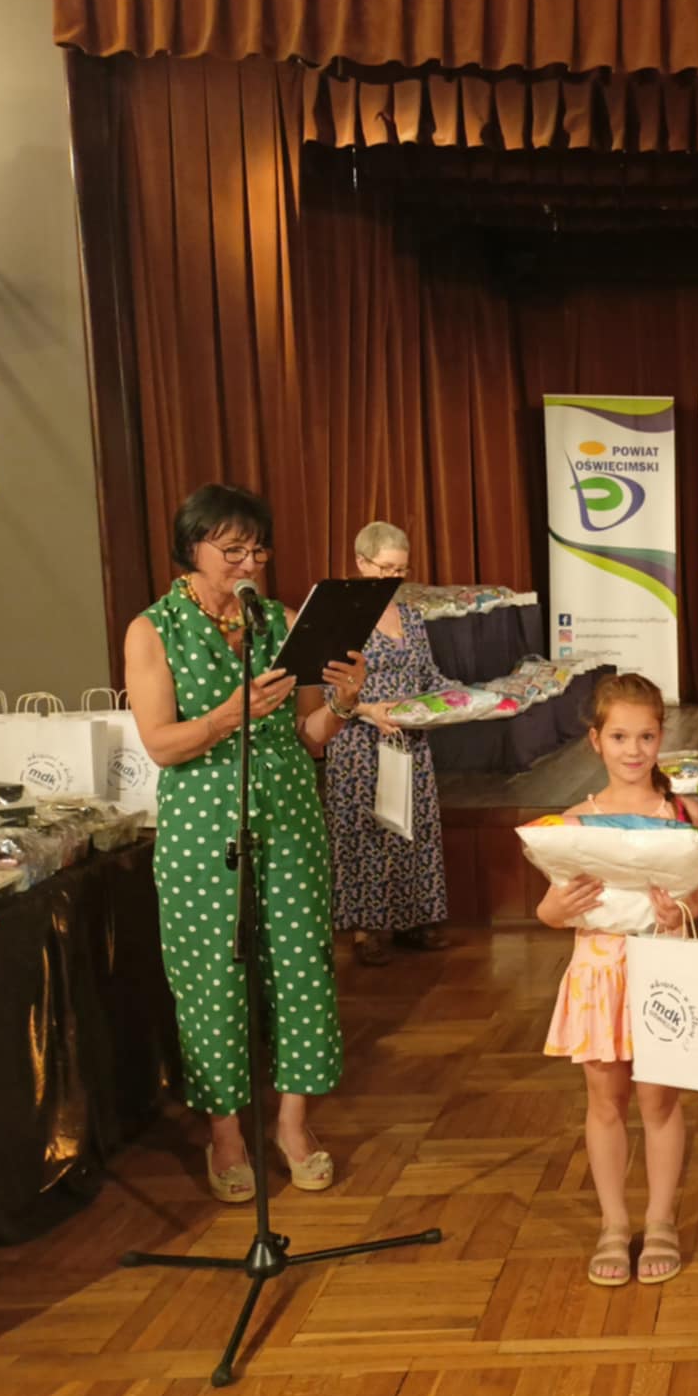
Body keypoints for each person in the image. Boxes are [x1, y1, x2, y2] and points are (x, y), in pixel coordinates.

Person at [124, 483, 368, 1202]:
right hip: (203, 828)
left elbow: (310, 735)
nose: (248, 563)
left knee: (301, 964)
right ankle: (226, 1133)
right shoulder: (154, 630)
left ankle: (293, 1124)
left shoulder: (282, 621)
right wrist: (227, 716)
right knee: (212, 974)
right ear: (190, 549)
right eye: (232, 550)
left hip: (289, 816)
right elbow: (161, 744)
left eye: (257, 550)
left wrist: (344, 700)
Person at [539, 673, 698, 1287]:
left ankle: (660, 1219)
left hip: (662, 969)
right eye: (619, 736)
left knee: (659, 1102)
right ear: (596, 740)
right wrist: (554, 910)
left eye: (645, 736)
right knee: (605, 1102)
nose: (633, 749)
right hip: (599, 971)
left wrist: (678, 912)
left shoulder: (684, 814)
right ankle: (613, 1223)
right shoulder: (574, 823)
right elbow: (551, 909)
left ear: (661, 738)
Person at [322, 521, 459, 968]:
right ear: (360, 563)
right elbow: (327, 691)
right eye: (385, 568)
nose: (394, 578)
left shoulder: (411, 616)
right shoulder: (342, 617)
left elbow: (428, 675)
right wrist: (369, 710)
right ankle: (366, 930)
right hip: (359, 743)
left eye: (401, 569)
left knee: (411, 828)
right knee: (366, 834)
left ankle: (412, 921)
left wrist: (462, 697)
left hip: (408, 740)